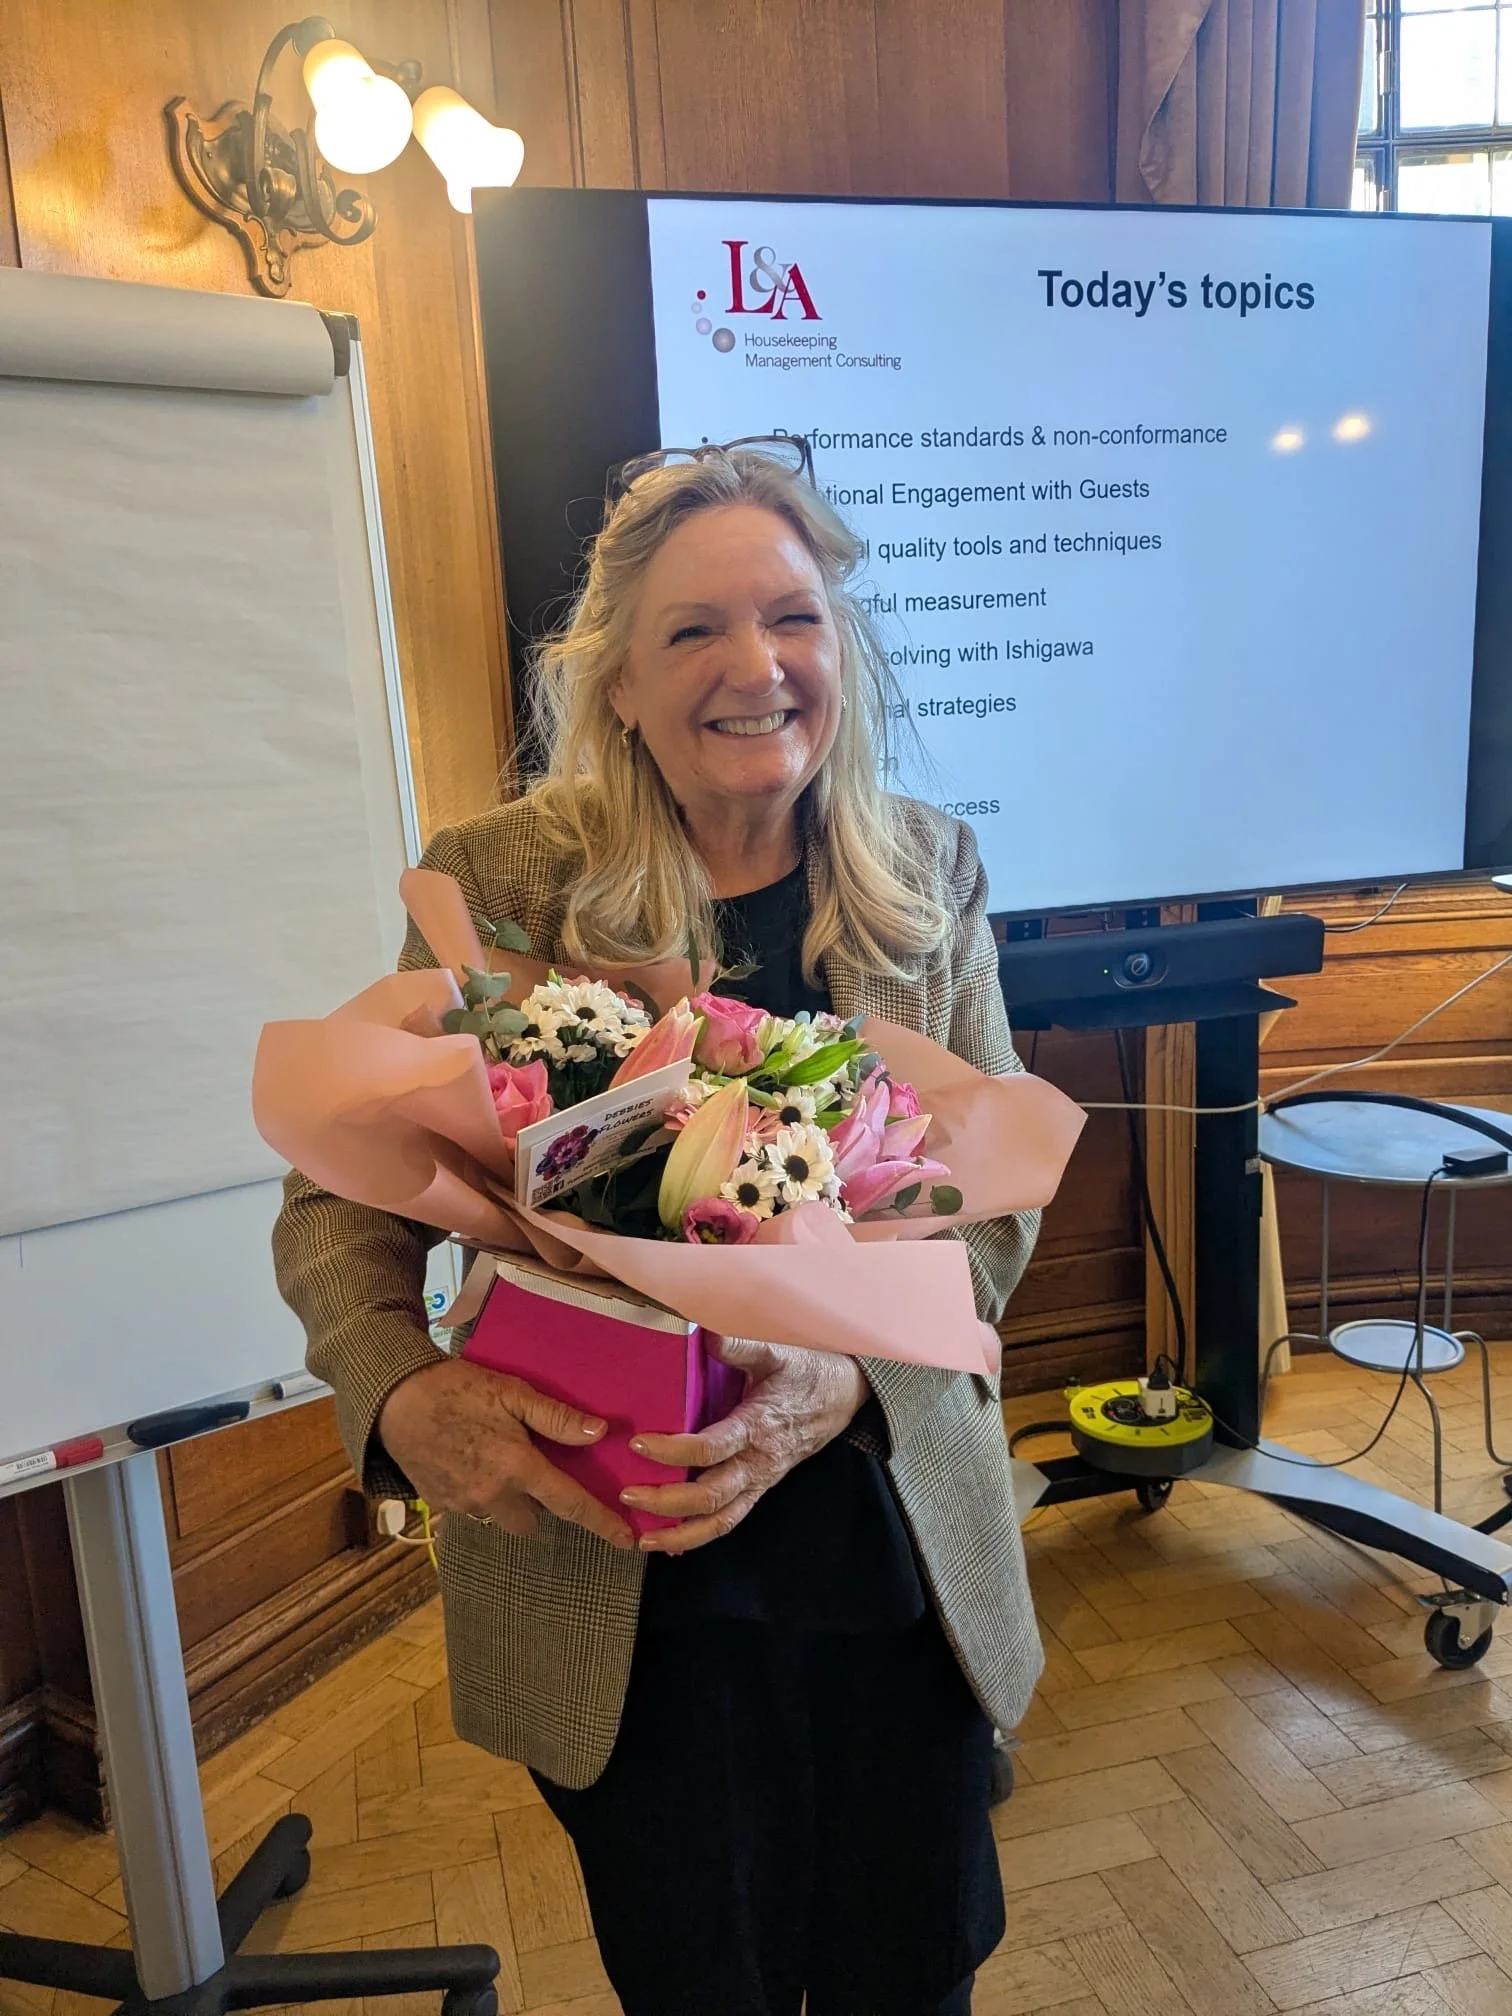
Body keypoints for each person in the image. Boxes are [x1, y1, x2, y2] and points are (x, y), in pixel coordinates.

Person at [273, 440, 1043, 2016]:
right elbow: (338, 1199)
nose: (757, 668)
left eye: (795, 617)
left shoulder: (930, 870)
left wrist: (854, 1377)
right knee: (703, 1981)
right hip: (620, 1577)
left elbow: (986, 1225)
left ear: (839, 646)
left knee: (916, 1972)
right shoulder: (501, 883)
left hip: (892, 1546)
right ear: (618, 681)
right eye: (696, 630)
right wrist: (400, 1394)